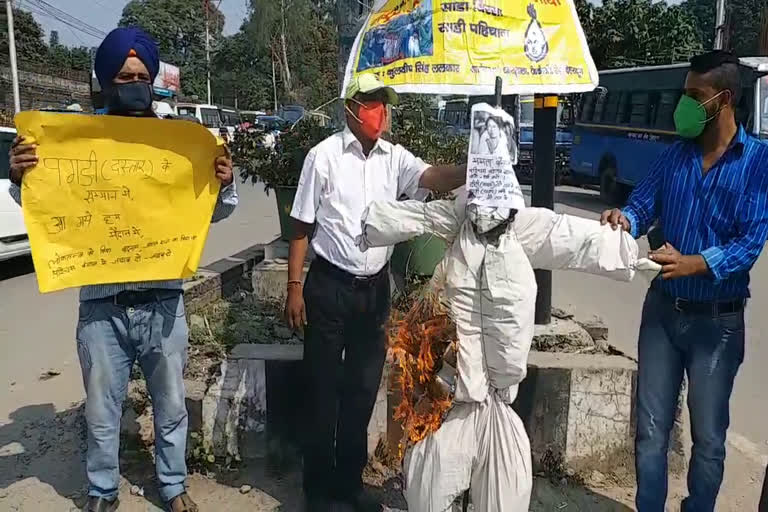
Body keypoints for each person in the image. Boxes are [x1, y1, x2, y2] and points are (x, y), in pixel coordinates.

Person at [8, 28, 238, 512]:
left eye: (140, 76)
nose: (133, 83)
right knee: (101, 409)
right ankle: (102, 490)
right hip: (101, 305)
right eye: (123, 76)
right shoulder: (75, 141)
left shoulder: (180, 144)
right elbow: (45, 208)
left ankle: (173, 487)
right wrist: (21, 176)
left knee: (172, 406)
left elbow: (214, 212)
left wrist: (223, 181)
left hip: (163, 301)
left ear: (151, 80)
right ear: (106, 82)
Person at [284, 73, 466, 512]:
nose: (379, 113)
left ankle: (349, 483)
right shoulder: (323, 157)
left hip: (373, 292)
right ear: (350, 107)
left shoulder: (393, 158)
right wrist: (294, 287)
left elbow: (431, 176)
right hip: (328, 286)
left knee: (363, 389)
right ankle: (317, 489)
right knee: (323, 389)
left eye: (384, 104)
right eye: (371, 103)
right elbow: (301, 226)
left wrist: (477, 166)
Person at [601, 50, 768, 512]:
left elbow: (750, 242)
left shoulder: (758, 162)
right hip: (662, 312)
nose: (685, 106)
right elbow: (641, 205)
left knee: (710, 437)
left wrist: (696, 262)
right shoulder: (674, 156)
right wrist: (624, 219)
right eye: (685, 94)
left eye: (696, 96)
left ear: (725, 99)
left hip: (717, 323)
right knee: (651, 430)